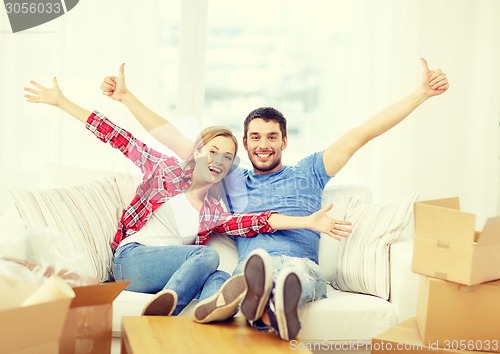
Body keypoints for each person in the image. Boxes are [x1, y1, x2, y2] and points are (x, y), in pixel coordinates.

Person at [100, 58, 448, 340]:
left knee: (292, 273)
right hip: (246, 272)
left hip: (298, 266)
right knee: (223, 281)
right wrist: (127, 97)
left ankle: (275, 304)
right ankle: (236, 320)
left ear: (284, 141)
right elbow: (175, 139)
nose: (262, 144)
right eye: (254, 137)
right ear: (246, 143)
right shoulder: (232, 180)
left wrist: (421, 94)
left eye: (271, 137)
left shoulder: (310, 171)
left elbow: (362, 134)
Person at [23, 77, 350, 318]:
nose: (218, 161)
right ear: (197, 152)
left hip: (167, 271)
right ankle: (166, 310)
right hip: (132, 259)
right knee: (206, 258)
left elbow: (258, 222)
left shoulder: (216, 209)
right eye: (213, 152)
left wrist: (308, 221)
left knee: (223, 277)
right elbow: (117, 136)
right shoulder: (163, 169)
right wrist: (63, 102)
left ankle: (211, 315)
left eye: (227, 157)